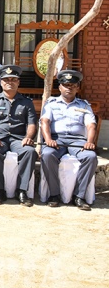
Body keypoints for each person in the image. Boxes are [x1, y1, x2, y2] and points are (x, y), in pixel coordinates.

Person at [40, 70, 97, 210]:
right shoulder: (51, 103)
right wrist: (48, 139)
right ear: (60, 87)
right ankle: (54, 194)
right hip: (56, 139)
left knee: (90, 157)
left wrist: (89, 142)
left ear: (77, 88)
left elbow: (91, 125)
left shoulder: (84, 105)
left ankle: (79, 196)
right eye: (66, 85)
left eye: (73, 85)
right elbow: (45, 122)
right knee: (47, 154)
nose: (69, 88)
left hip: (78, 141)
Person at [0, 65, 38, 206]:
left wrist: (28, 137)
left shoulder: (27, 102)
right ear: (1, 82)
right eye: (6, 80)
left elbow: (32, 124)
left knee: (30, 151)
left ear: (18, 82)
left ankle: (22, 191)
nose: (10, 82)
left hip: (18, 139)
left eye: (13, 79)